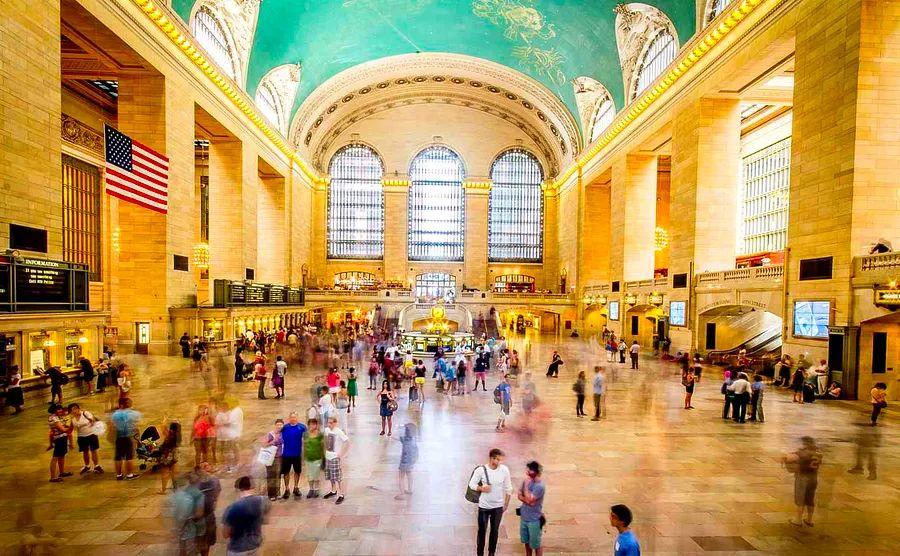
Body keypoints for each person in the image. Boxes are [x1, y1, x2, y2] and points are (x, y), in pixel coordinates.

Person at [468, 448, 513, 556]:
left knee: (494, 531)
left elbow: (509, 488)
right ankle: (480, 553)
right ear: (491, 458)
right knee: (482, 531)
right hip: (484, 507)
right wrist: (481, 488)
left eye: (500, 460)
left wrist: (506, 504)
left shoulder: (504, 470)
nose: (499, 462)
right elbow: (472, 484)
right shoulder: (481, 470)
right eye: (497, 459)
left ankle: (491, 553)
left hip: (498, 507)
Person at [222, 476, 269, 555]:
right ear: (251, 487)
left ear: (238, 489)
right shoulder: (262, 501)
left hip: (238, 549)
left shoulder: (232, 508)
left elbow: (225, 534)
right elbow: (265, 520)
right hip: (254, 545)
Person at [783, 436, 822, 527]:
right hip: (813, 477)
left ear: (806, 443)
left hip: (802, 477)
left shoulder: (803, 453)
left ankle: (798, 519)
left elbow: (790, 458)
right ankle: (809, 519)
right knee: (810, 499)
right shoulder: (818, 454)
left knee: (800, 498)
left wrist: (784, 458)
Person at [517, 460, 546, 556]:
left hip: (534, 520)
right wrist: (527, 500)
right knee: (526, 542)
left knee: (536, 544)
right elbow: (519, 495)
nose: (527, 472)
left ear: (535, 471)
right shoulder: (526, 481)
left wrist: (526, 488)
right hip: (524, 518)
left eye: (529, 470)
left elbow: (530, 500)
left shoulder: (539, 486)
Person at [111, 397, 141, 480]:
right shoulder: (132, 413)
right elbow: (136, 424)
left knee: (118, 457)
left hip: (118, 437)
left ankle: (119, 475)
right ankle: (129, 474)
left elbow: (113, 425)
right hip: (128, 437)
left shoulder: (115, 414)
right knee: (129, 456)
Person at [323, 416, 350, 504]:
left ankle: (341, 494)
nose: (329, 424)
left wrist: (341, 454)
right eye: (328, 422)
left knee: (337, 476)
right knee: (330, 475)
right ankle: (333, 490)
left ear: (335, 423)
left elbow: (347, 442)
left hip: (335, 457)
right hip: (328, 456)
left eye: (331, 423)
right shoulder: (326, 430)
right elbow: (325, 440)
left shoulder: (338, 431)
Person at [195, 462, 221, 555]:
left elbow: (217, 491)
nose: (207, 467)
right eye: (204, 466)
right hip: (203, 515)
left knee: (205, 541)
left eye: (208, 465)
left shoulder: (213, 480)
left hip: (205, 515)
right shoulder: (198, 482)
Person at [69, 403, 102, 474]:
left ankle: (96, 466)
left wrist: (92, 422)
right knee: (85, 452)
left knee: (93, 451)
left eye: (75, 409)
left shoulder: (85, 413)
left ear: (78, 409)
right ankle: (87, 466)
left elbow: (93, 420)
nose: (74, 411)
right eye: (72, 410)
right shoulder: (72, 419)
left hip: (91, 435)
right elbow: (70, 429)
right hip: (81, 437)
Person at [47, 404, 72, 482]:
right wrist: (71, 426)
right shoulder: (54, 418)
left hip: (62, 438)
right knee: (55, 457)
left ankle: (61, 472)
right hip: (59, 439)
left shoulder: (58, 417)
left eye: (61, 409)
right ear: (54, 410)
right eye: (58, 409)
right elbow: (63, 429)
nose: (60, 410)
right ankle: (53, 477)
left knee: (62, 456)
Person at [262, 419, 284, 501]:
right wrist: (273, 441)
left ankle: (277, 493)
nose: (279, 426)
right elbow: (264, 444)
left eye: (281, 425)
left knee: (278, 475)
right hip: (271, 458)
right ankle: (271, 494)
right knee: (271, 476)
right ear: (275, 425)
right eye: (278, 424)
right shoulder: (270, 434)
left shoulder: (282, 434)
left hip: (279, 457)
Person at [303, 418, 325, 498]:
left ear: (316, 425)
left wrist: (324, 458)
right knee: (309, 475)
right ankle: (311, 489)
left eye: (314, 424)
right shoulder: (305, 434)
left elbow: (323, 446)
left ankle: (316, 489)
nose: (312, 426)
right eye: (310, 424)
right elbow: (304, 445)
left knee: (316, 475)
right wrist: (303, 457)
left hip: (317, 458)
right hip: (308, 458)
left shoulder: (320, 435)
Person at [396, 422, 418, 500]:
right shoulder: (414, 440)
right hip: (411, 461)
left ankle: (402, 494)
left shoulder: (405, 440)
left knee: (401, 477)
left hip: (404, 462)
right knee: (409, 474)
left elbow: (398, 437)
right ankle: (410, 490)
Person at [158, 421, 179, 494]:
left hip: (166, 456)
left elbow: (163, 427)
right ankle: (176, 488)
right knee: (173, 473)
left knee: (164, 473)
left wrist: (164, 420)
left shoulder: (169, 434)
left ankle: (163, 490)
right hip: (173, 455)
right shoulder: (177, 435)